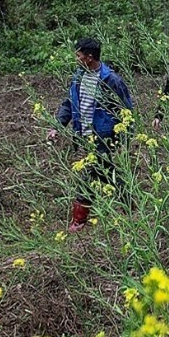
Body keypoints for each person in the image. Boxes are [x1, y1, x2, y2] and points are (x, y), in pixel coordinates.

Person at [48, 38, 134, 232]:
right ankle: (128, 201)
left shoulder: (111, 80)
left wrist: (124, 139)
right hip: (83, 135)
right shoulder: (78, 77)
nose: (76, 59)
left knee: (89, 174)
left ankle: (79, 219)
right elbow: (69, 103)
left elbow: (126, 109)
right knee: (105, 172)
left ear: (89, 57)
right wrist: (57, 125)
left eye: (78, 55)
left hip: (103, 136)